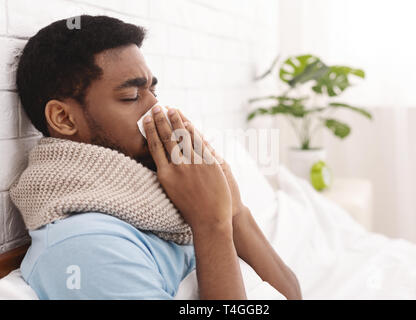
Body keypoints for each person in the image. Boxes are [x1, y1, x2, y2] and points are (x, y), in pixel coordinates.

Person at [12, 15, 302, 300]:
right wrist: (210, 223)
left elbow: (291, 295)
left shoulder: (166, 203)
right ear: (63, 118)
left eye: (152, 91)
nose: (157, 109)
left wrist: (233, 210)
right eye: (130, 97)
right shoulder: (85, 247)